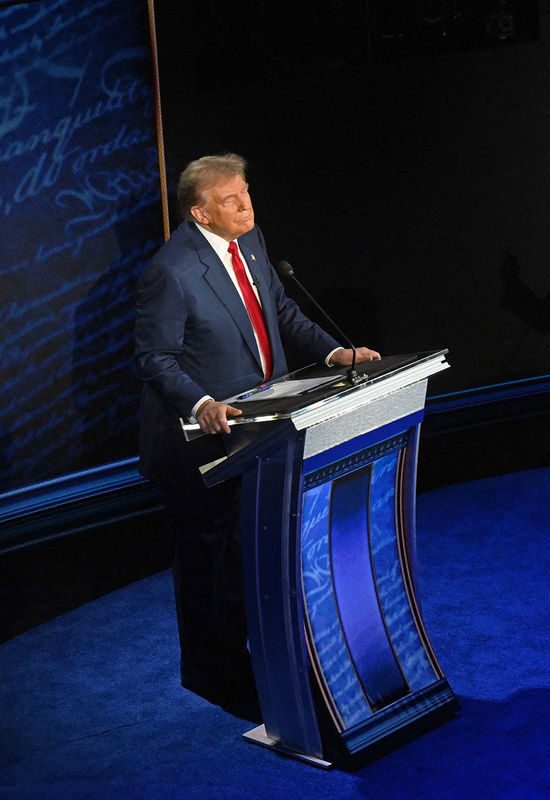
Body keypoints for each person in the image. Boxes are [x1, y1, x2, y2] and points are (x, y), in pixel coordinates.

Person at [134, 153, 380, 721]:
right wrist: (201, 403)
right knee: (209, 562)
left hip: (259, 430)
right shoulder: (170, 271)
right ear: (200, 211)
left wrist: (334, 351)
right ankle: (212, 675)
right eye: (231, 200)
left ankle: (252, 660)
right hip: (198, 441)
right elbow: (155, 357)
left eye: (246, 193)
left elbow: (282, 310)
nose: (246, 205)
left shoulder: (252, 240)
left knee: (246, 555)